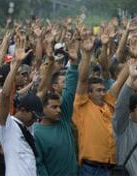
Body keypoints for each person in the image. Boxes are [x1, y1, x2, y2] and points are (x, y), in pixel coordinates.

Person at [73, 32, 129, 176]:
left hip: (110, 168)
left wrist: (133, 59)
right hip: (91, 169)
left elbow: (120, 81)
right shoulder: (82, 106)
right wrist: (86, 54)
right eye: (98, 90)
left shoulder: (108, 104)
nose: (103, 93)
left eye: (104, 89)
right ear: (89, 93)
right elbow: (83, 80)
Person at [0, 36, 43, 176]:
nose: (36, 120)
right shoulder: (7, 125)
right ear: (22, 110)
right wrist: (16, 65)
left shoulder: (27, 129)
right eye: (34, 116)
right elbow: (5, 96)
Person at [34, 38, 79, 176]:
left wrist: (74, 64)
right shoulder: (35, 133)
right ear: (42, 109)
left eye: (59, 107)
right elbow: (39, 165)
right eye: (54, 107)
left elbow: (70, 91)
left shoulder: (63, 119)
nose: (59, 110)